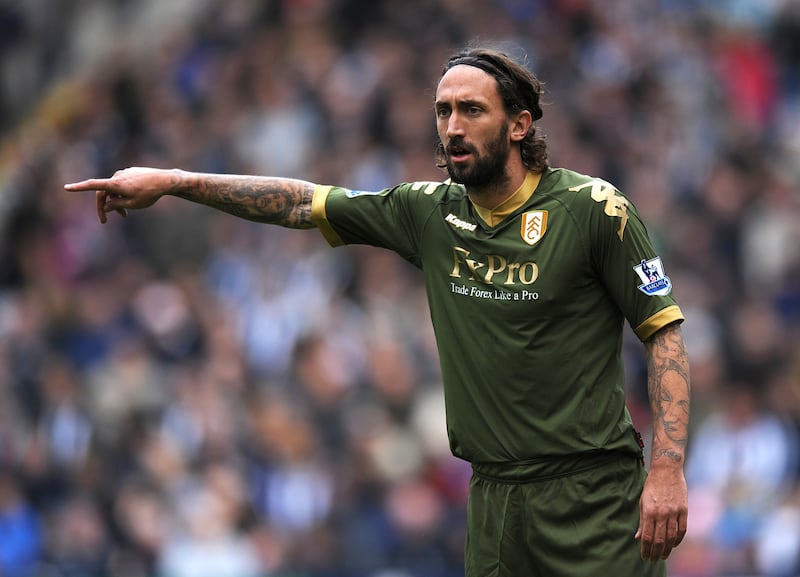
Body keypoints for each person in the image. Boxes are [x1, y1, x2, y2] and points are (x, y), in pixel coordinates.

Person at [65, 47, 691, 576]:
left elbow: (664, 338)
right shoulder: (427, 212)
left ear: (520, 125)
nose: (452, 126)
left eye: (472, 110)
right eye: (443, 111)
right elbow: (301, 202)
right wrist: (176, 180)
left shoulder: (594, 210)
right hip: (495, 501)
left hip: (595, 500)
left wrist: (666, 470)